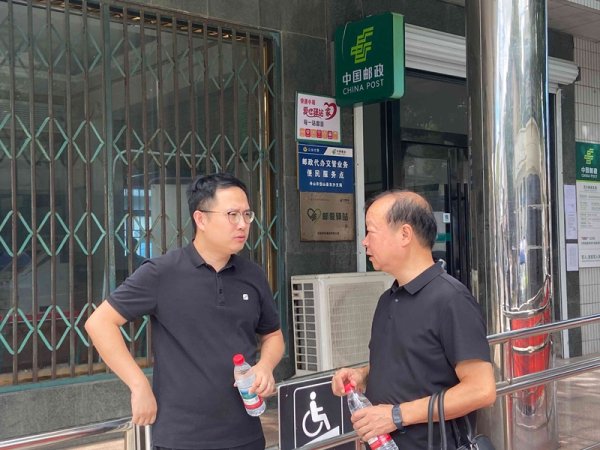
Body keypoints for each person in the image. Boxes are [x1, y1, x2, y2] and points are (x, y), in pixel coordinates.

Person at [85, 173, 285, 450]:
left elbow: (273, 335)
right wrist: (138, 385)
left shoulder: (253, 276)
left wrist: (265, 366)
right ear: (200, 219)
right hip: (181, 437)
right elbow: (100, 323)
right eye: (232, 215)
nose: (243, 224)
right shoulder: (162, 272)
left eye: (247, 214)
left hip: (245, 434)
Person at [331, 190, 496, 449]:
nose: (364, 242)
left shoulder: (451, 299)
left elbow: (481, 390)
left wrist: (396, 416)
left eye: (371, 231)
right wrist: (363, 375)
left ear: (405, 234)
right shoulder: (388, 298)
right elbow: (411, 364)